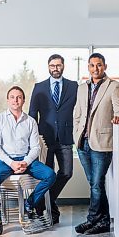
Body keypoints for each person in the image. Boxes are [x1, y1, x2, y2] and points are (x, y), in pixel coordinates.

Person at [0, 85, 56, 235]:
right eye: (12, 97)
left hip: (26, 160)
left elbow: (36, 148)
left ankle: (28, 204)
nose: (15, 100)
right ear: (7, 100)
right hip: (5, 160)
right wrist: (11, 163)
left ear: (23, 100)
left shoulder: (31, 121)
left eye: (19, 97)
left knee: (50, 175)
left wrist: (25, 162)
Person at [73, 53, 119, 235]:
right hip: (83, 142)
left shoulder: (114, 87)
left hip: (102, 143)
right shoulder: (81, 88)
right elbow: (77, 114)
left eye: (99, 65)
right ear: (88, 67)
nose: (95, 69)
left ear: (105, 66)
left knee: (96, 184)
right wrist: (76, 136)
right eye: (92, 65)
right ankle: (103, 221)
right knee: (94, 183)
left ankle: (91, 220)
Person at [29, 54, 78, 224]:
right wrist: (32, 140)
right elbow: (32, 114)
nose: (55, 68)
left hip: (65, 137)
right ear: (48, 67)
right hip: (45, 139)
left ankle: (39, 202)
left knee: (66, 172)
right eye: (52, 65)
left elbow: (80, 111)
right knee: (48, 175)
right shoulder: (39, 87)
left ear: (63, 66)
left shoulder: (73, 87)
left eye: (58, 65)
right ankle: (51, 209)